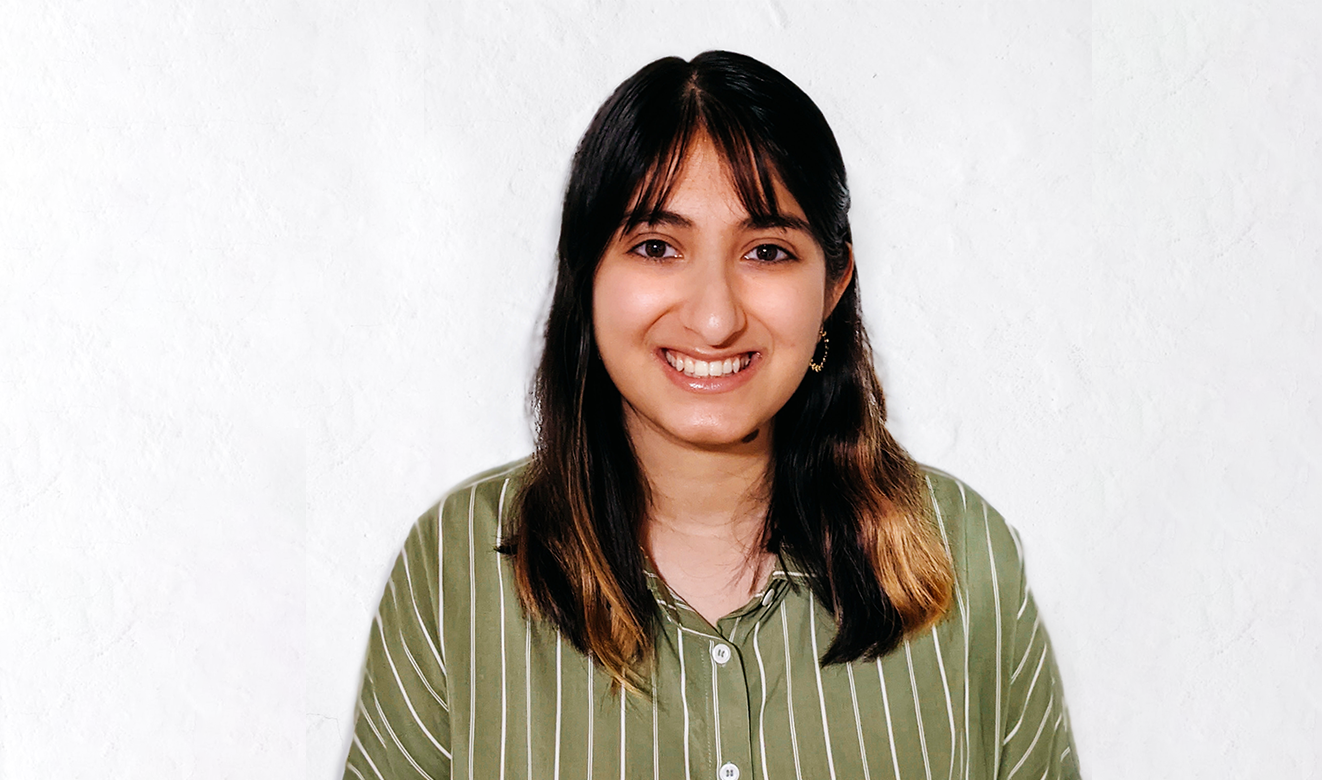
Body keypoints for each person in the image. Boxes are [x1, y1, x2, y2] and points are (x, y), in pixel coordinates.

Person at [343, 50, 1079, 780]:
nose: (715, 316)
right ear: (585, 270)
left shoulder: (966, 554)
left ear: (833, 283)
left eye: (765, 251)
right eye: (657, 247)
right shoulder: (454, 566)